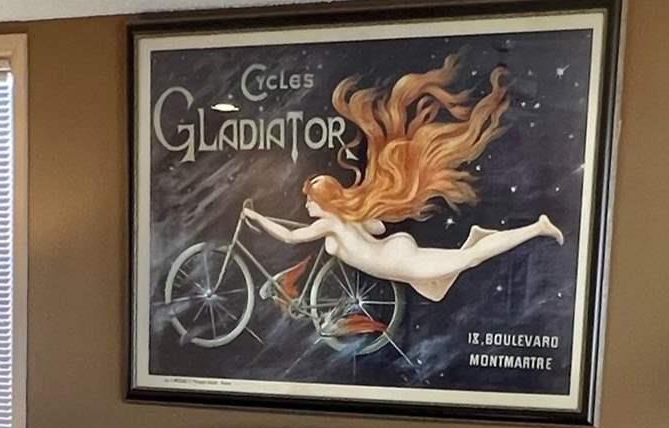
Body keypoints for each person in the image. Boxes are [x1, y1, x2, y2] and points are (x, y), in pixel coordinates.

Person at [238, 56, 561, 303]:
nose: (306, 204)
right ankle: (477, 237)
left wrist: (255, 216)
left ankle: (537, 227)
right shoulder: (347, 215)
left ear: (324, 202)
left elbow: (290, 237)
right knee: (436, 292)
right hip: (393, 254)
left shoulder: (333, 223)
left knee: (471, 259)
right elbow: (376, 228)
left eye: (310, 198)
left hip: (397, 260)